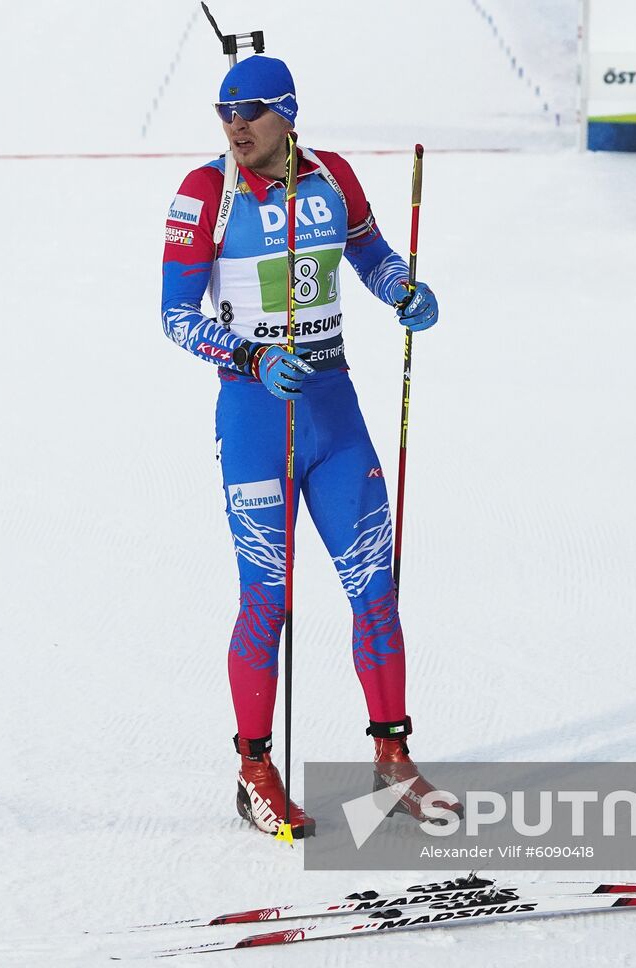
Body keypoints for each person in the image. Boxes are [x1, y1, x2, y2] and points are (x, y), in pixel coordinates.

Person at [159, 54, 448, 839]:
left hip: (333, 411)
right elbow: (175, 316)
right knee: (268, 604)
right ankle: (255, 771)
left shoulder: (333, 177)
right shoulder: (205, 194)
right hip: (256, 420)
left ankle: (393, 762)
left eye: (249, 110)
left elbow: (372, 254)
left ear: (288, 112)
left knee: (374, 592)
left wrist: (402, 291)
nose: (235, 126)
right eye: (223, 112)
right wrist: (250, 357)